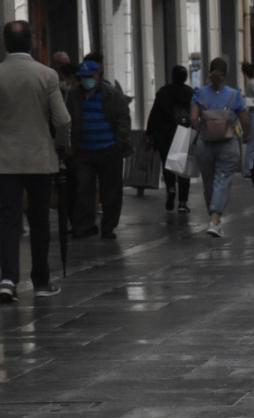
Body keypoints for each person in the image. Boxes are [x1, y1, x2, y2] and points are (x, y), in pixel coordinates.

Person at [0, 21, 70, 302]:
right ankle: (40, 279)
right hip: (40, 159)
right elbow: (63, 120)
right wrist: (60, 147)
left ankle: (7, 279)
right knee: (40, 220)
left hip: (4, 161)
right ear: (31, 42)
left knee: (7, 221)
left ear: (5, 43)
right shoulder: (47, 75)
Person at [67, 59, 131, 240]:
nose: (86, 80)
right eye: (83, 77)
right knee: (83, 190)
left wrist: (120, 141)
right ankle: (83, 226)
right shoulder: (74, 95)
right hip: (84, 151)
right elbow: (68, 118)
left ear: (98, 75)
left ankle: (108, 227)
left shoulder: (111, 94)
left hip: (109, 150)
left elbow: (123, 118)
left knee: (110, 192)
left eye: (90, 76)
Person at [191, 57, 249, 238]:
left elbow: (193, 118)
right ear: (226, 75)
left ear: (209, 72)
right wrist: (245, 134)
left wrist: (202, 128)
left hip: (205, 142)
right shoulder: (234, 95)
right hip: (228, 142)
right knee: (222, 179)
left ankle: (213, 215)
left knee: (208, 181)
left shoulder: (199, 93)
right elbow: (244, 119)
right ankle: (215, 219)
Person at [146, 65, 195, 213]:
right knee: (182, 168)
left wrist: (149, 132)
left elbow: (154, 113)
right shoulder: (190, 93)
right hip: (182, 132)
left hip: (164, 134)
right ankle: (182, 202)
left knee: (168, 165)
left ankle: (171, 188)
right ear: (185, 77)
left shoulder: (163, 92)